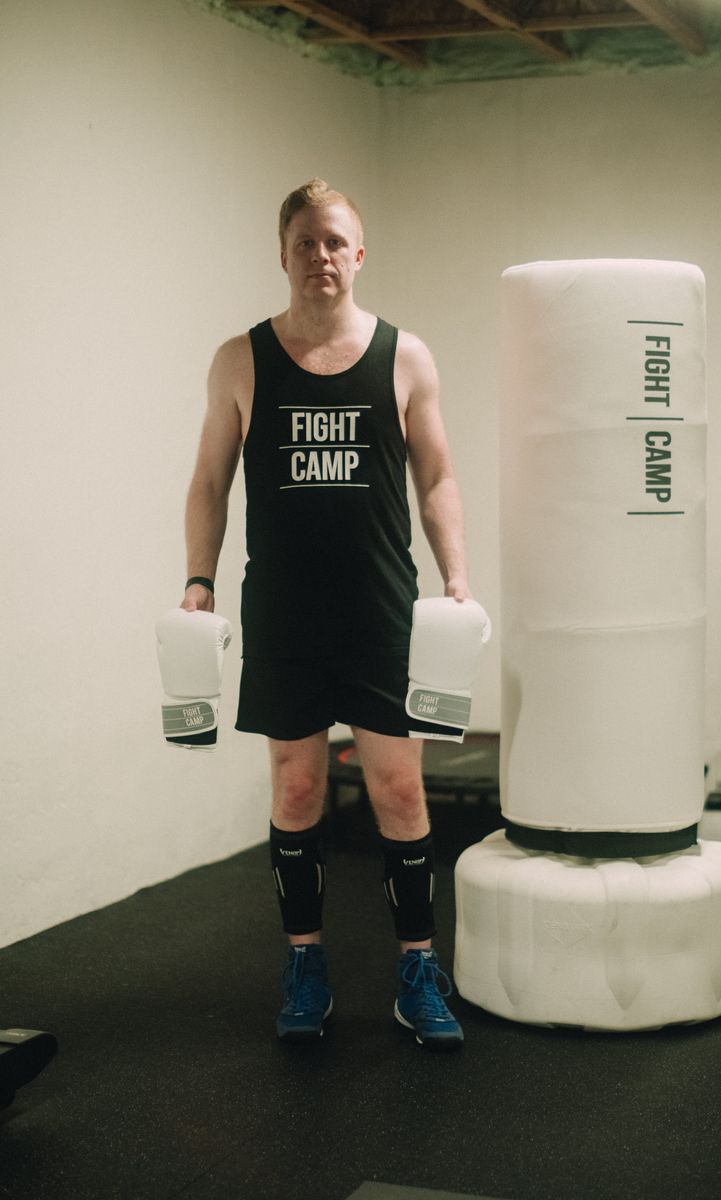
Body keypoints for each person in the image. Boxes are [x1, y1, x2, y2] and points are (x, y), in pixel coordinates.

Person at [180, 178, 471, 1051]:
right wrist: (198, 579)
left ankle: (418, 968)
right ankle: (305, 963)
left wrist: (456, 577)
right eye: (305, 242)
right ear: (283, 253)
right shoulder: (242, 359)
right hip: (285, 614)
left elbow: (438, 477)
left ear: (359, 252)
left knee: (400, 789)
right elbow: (208, 480)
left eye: (336, 241)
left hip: (381, 611)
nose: (322, 257)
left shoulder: (405, 356)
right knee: (298, 789)